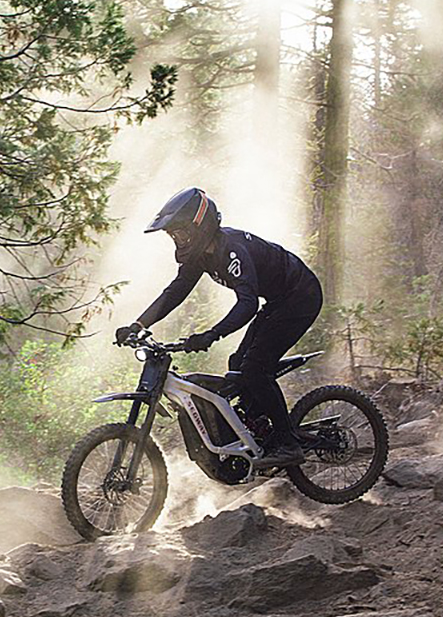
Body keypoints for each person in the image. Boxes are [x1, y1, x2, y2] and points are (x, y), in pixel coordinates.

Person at [115, 187, 323, 470]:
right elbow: (175, 292)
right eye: (173, 236)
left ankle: (288, 443)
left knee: (255, 369)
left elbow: (247, 305)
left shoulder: (231, 249)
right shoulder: (200, 257)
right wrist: (138, 325)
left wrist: (212, 334)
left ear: (199, 227)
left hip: (301, 296)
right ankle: (261, 432)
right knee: (238, 364)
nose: (177, 240)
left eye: (181, 234)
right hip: (278, 300)